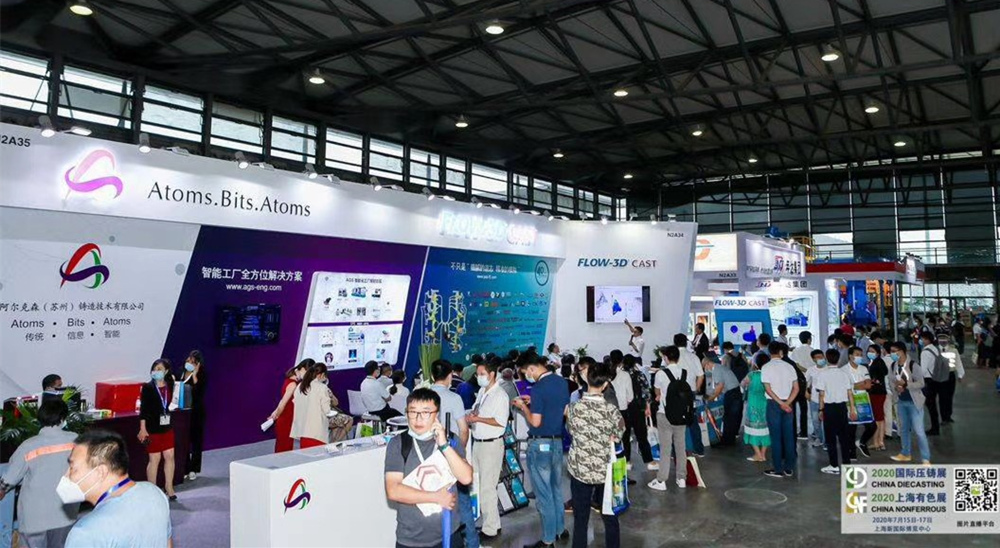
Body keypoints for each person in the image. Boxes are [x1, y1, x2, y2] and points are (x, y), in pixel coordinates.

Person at [384, 389, 473, 548]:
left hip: (449, 533)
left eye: (425, 413)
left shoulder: (451, 439)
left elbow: (466, 477)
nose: (418, 419)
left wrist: (444, 445)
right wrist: (435, 497)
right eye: (413, 412)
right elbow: (393, 490)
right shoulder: (399, 444)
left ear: (436, 415)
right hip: (412, 539)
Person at [62, 430, 171, 548]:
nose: (66, 475)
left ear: (100, 472)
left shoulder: (85, 533)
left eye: (72, 467)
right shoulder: (155, 493)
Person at [0, 400, 79, 548]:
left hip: (34, 519)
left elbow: (9, 479)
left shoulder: (29, 446)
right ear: (63, 418)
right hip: (65, 514)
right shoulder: (76, 440)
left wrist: (2, 489)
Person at [511, 353, 569, 548]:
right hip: (557, 442)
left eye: (525, 372)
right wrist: (533, 402)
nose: (526, 376)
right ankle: (560, 530)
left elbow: (535, 422)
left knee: (543, 495)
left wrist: (523, 407)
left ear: (532, 368)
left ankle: (547, 539)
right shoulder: (561, 382)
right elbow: (559, 408)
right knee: (556, 489)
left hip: (540, 444)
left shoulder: (538, 388)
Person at [566, 360, 624, 548]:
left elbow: (571, 431)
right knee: (610, 514)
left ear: (587, 380)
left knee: (580, 518)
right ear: (605, 384)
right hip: (605, 470)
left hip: (580, 469)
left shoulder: (573, 408)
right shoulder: (612, 410)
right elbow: (619, 434)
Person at [428, 360, 476, 548]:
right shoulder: (454, 398)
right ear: (450, 376)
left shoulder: (422, 396)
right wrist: (458, 455)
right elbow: (464, 429)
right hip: (451, 453)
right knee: (462, 503)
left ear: (432, 376)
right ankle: (471, 544)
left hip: (429, 459)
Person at [467, 360, 510, 541]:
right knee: (480, 485)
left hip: (491, 445)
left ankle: (490, 529)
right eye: (477, 374)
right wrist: (472, 416)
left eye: (482, 374)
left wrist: (478, 420)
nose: (479, 377)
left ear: (492, 374)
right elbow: (477, 411)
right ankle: (492, 522)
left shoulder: (500, 395)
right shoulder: (483, 392)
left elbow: (500, 421)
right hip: (478, 443)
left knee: (487, 487)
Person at [647, 346, 690, 490]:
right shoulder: (684, 372)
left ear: (665, 358)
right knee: (681, 447)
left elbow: (657, 392)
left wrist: (660, 394)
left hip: (664, 414)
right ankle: (681, 478)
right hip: (681, 415)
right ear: (678, 357)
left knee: (665, 449)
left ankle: (661, 480)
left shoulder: (660, 373)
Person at [138, 359, 177, 500]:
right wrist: (143, 429)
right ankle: (153, 490)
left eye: (159, 369)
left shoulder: (170, 384)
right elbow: (143, 410)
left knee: (170, 455)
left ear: (166, 371)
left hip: (167, 426)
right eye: (154, 369)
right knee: (155, 458)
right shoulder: (147, 387)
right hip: (152, 428)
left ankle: (169, 487)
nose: (156, 371)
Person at [761, 342, 800, 478]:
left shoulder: (766, 367)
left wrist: (780, 403)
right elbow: (796, 388)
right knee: (789, 437)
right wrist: (787, 403)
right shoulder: (790, 367)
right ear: (781, 352)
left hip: (774, 404)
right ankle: (789, 468)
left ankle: (777, 469)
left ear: (769, 352)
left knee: (776, 437)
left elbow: (768, 389)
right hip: (788, 404)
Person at [889, 342, 931, 464]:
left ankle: (926, 458)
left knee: (919, 431)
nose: (892, 354)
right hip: (901, 402)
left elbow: (921, 383)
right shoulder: (893, 366)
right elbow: (891, 381)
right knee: (904, 429)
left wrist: (906, 385)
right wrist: (896, 388)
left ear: (902, 351)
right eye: (891, 351)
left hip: (914, 403)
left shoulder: (913, 366)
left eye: (895, 351)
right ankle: (905, 453)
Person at [816, 348, 856, 474]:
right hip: (842, 408)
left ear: (827, 359)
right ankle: (847, 464)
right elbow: (850, 393)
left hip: (829, 408)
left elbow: (821, 394)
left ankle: (834, 465)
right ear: (838, 359)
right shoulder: (844, 374)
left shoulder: (822, 375)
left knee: (830, 438)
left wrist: (821, 409)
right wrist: (852, 409)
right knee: (844, 437)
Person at [268, 359, 311, 453]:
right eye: (308, 373)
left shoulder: (289, 381)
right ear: (302, 369)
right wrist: (276, 414)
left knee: (283, 446)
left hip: (286, 418)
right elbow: (283, 402)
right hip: (286, 419)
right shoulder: (293, 384)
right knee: (284, 448)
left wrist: (275, 412)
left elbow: (282, 400)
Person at [621, 354, 654, 469]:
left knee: (625, 435)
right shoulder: (639, 375)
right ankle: (649, 461)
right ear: (634, 363)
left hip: (624, 408)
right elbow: (646, 393)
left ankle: (626, 461)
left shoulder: (620, 376)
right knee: (641, 435)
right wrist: (647, 407)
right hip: (638, 407)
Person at [674, 333, 705, 457]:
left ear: (674, 343)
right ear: (686, 342)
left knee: (674, 422)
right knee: (692, 421)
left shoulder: (673, 357)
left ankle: (675, 452)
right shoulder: (693, 357)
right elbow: (701, 375)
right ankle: (699, 450)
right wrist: (696, 389)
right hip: (689, 392)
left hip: (675, 393)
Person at [703, 353, 742, 447]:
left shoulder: (716, 370)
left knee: (729, 418)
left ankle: (726, 442)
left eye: (705, 367)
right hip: (735, 392)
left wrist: (711, 398)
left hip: (732, 394)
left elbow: (719, 387)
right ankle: (730, 439)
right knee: (733, 418)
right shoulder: (720, 367)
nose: (706, 370)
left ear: (707, 364)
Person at [291, 363, 333, 448]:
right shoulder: (322, 387)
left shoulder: (300, 386)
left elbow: (295, 403)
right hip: (316, 432)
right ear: (322, 374)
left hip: (303, 431)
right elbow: (327, 410)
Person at [180, 350, 207, 481]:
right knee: (184, 440)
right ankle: (184, 468)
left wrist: (195, 376)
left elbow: (198, 392)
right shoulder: (180, 373)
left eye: (193, 362)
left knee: (196, 441)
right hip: (183, 413)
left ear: (198, 365)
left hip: (196, 412)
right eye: (188, 361)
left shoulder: (202, 375)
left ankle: (193, 469)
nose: (189, 363)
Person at [859, 344, 889, 454]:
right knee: (879, 417)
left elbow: (876, 379)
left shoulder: (877, 363)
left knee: (877, 418)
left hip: (876, 393)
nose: (869, 353)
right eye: (869, 351)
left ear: (877, 352)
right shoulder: (877, 362)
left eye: (872, 351)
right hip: (879, 393)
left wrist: (869, 382)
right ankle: (879, 441)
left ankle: (878, 442)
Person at [844, 346, 872, 459]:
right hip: (850, 399)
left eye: (861, 355)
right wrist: (860, 384)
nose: (859, 357)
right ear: (850, 356)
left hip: (863, 398)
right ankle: (852, 452)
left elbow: (868, 385)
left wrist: (853, 385)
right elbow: (845, 387)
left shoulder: (863, 368)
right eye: (857, 354)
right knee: (851, 427)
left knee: (871, 426)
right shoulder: (843, 370)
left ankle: (862, 442)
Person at [743, 353, 771, 463]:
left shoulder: (752, 375)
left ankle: (758, 454)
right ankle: (763, 454)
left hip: (753, 404)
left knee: (753, 429)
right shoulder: (769, 375)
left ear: (756, 363)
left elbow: (742, 385)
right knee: (765, 429)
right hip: (765, 403)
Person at [919, 331, 946, 436]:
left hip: (928, 380)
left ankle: (935, 428)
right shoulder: (935, 348)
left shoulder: (925, 352)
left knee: (930, 405)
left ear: (927, 339)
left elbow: (923, 369)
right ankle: (935, 427)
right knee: (933, 404)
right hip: (937, 378)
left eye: (922, 339)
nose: (921, 341)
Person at [805, 350, 827, 448]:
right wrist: (806, 392)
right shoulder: (811, 370)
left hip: (826, 399)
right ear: (813, 359)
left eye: (822, 356)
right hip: (814, 399)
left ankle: (826, 441)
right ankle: (819, 438)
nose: (821, 359)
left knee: (825, 421)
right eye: (818, 357)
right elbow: (807, 382)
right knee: (815, 420)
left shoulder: (828, 369)